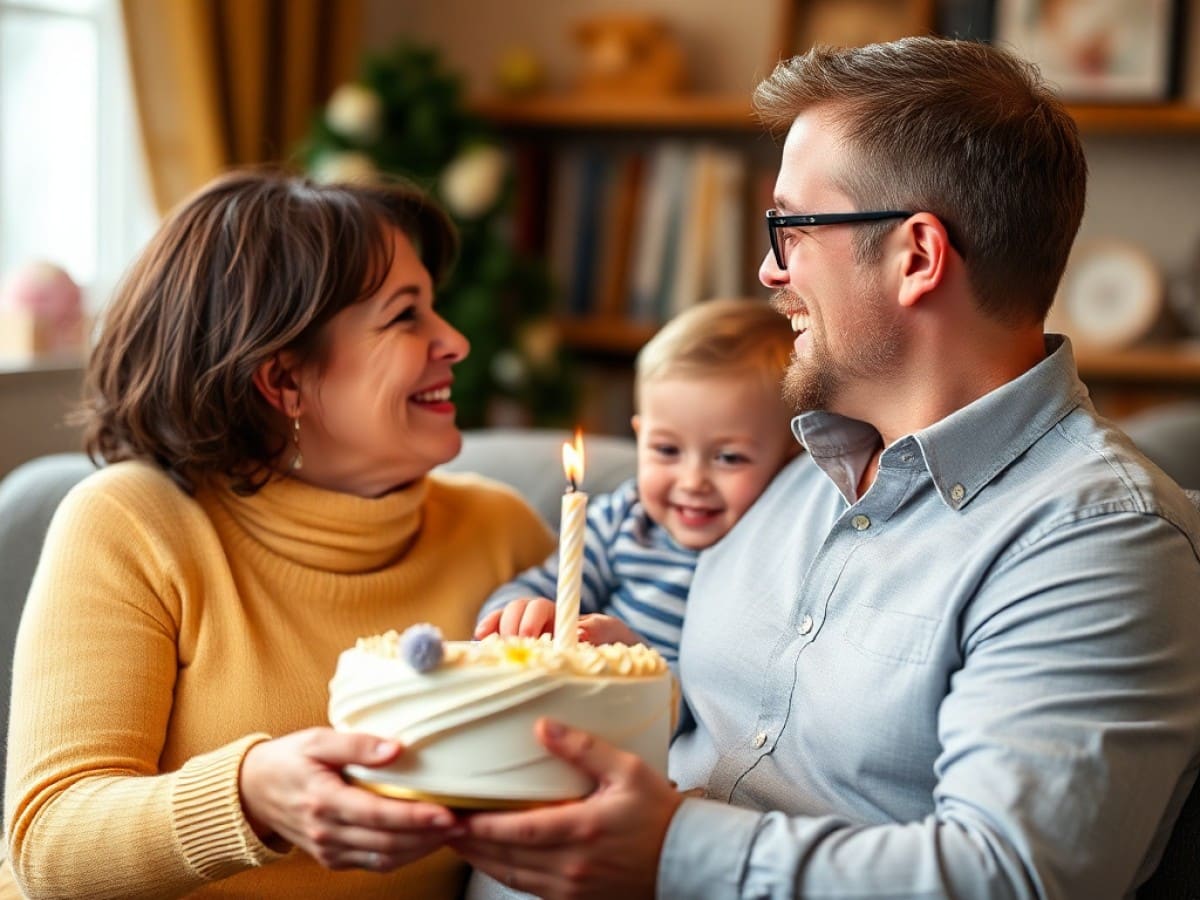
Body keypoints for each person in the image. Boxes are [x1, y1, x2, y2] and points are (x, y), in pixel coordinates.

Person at [453, 36, 1200, 899]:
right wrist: (623, 683)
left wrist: (666, 851)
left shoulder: (1100, 540)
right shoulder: (784, 466)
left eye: (792, 227)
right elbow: (719, 707)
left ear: (916, 257)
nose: (768, 269)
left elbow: (1008, 878)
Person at [2, 170, 555, 899]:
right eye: (404, 316)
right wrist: (251, 796)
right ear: (284, 382)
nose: (454, 340)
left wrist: (616, 673)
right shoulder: (132, 523)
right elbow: (50, 846)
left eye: (436, 307)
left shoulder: (499, 529)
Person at [474, 298, 798, 662]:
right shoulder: (623, 519)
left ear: (791, 458)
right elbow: (541, 585)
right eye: (666, 450)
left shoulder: (776, 557)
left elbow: (730, 702)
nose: (692, 482)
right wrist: (521, 613)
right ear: (640, 437)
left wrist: (640, 663)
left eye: (728, 457)